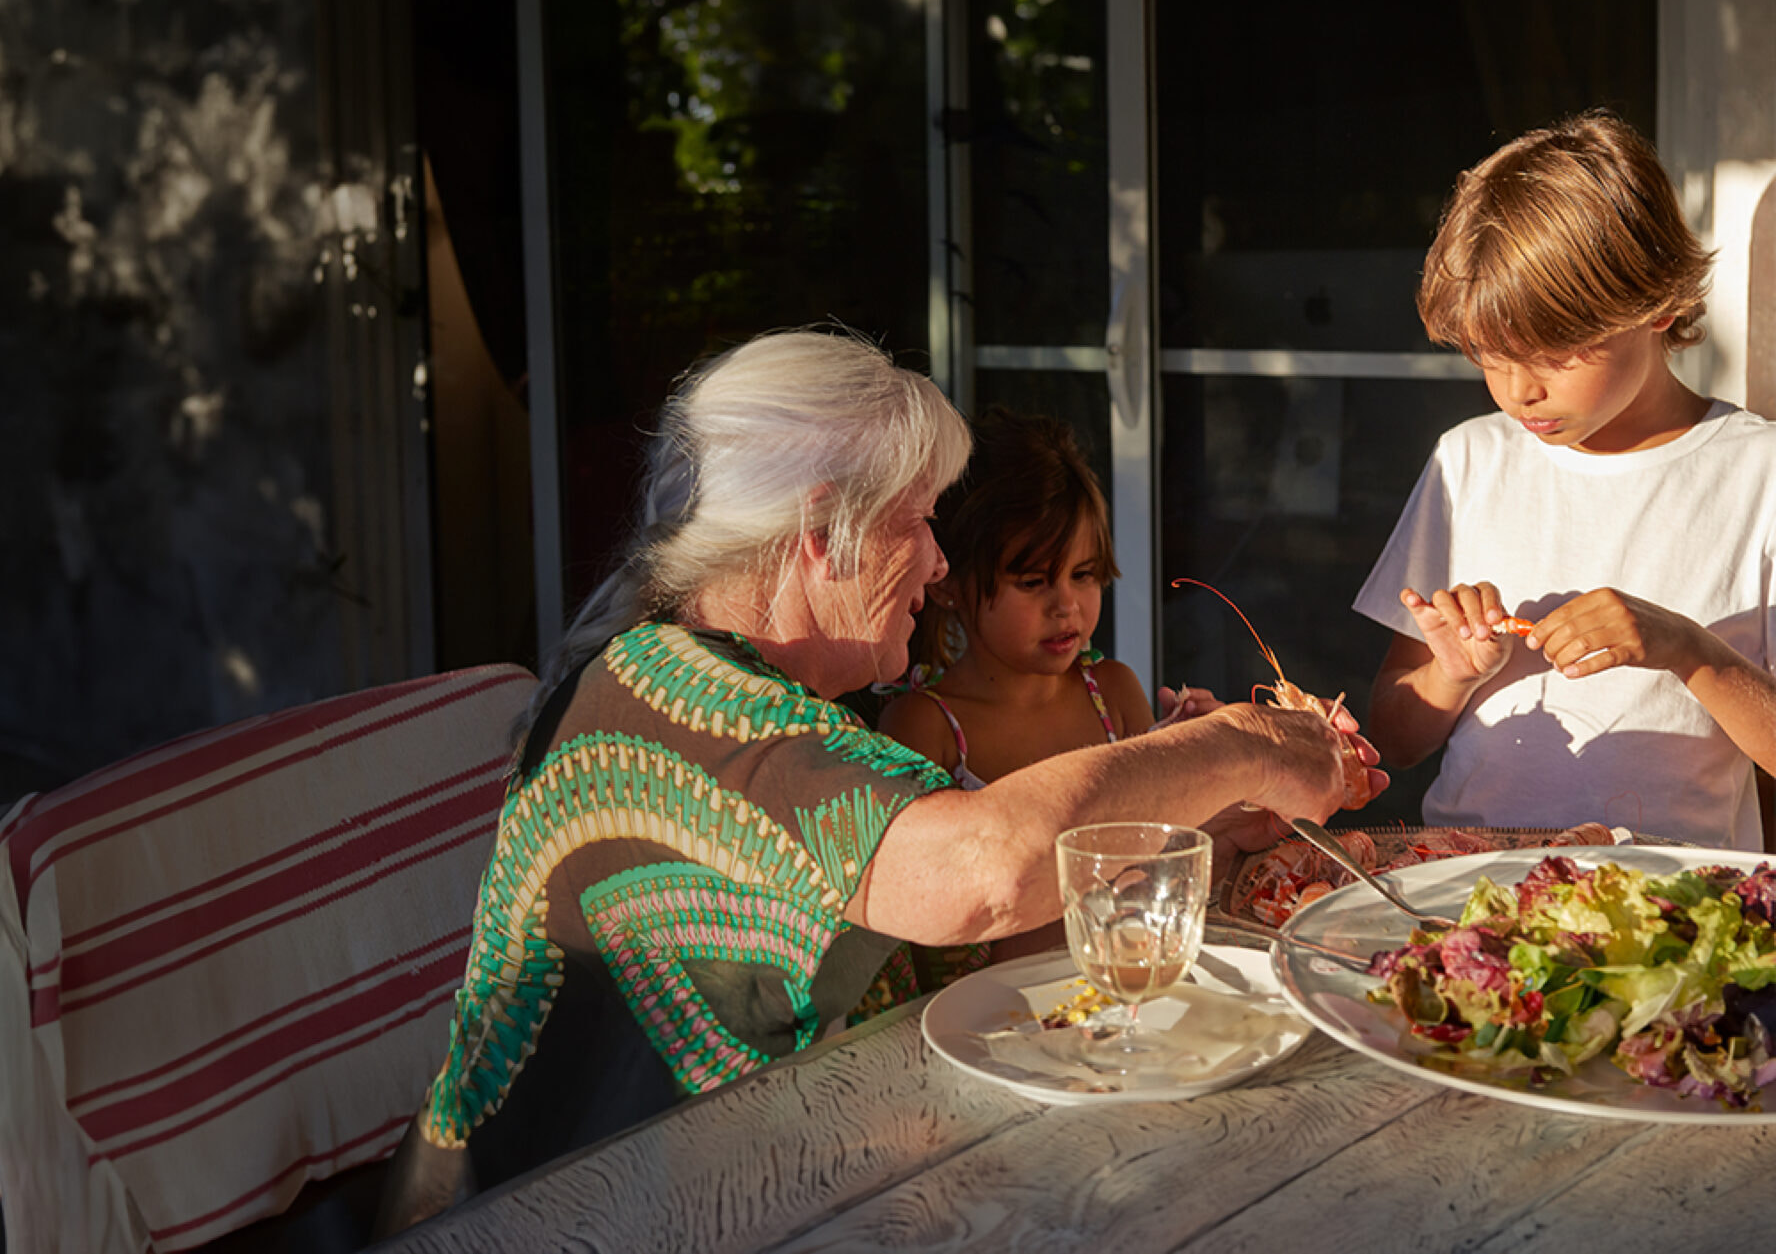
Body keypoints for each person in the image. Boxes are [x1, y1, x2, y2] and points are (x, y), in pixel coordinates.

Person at [375, 329, 1381, 1235]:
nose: (941, 564)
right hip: (557, 1221)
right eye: (920, 520)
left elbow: (974, 932)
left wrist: (1204, 816)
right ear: (822, 530)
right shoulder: (707, 715)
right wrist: (1247, 742)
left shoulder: (681, 672)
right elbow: (980, 868)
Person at [1354, 111, 1776, 849]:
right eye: (1487, 353)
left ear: (1658, 303)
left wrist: (1686, 648)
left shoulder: (1755, 473)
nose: (1518, 390)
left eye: (1554, 351)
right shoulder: (1470, 461)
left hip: (1672, 911)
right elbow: (1393, 736)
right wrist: (1450, 674)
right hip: (1466, 889)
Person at [877, 408, 1186, 790]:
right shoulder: (923, 726)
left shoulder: (1113, 692)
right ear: (947, 585)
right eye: (1033, 582)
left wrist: (1190, 755)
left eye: (1082, 575)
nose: (1066, 605)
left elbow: (1163, 827)